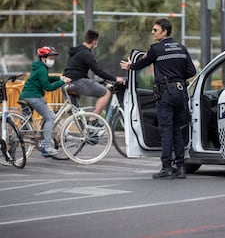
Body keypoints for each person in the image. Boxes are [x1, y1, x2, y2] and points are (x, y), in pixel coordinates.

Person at [120, 18, 196, 179]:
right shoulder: (182, 48)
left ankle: (167, 168)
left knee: (166, 131)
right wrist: (178, 77)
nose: (152, 32)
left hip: (165, 94)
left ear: (164, 32)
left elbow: (142, 64)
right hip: (181, 94)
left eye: (155, 30)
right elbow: (191, 71)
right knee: (177, 130)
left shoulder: (156, 49)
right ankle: (181, 167)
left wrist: (130, 66)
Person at [19, 46, 72, 157]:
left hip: (25, 95)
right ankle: (47, 147)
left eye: (53, 58)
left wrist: (59, 78)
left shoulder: (39, 67)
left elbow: (46, 78)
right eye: (50, 57)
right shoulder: (42, 69)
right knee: (50, 117)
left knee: (24, 127)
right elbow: (47, 87)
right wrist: (62, 82)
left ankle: (12, 149)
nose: (52, 60)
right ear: (43, 58)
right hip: (33, 96)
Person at [63, 29, 125, 117]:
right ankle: (94, 120)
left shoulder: (76, 51)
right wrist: (115, 78)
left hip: (67, 83)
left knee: (76, 114)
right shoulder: (86, 54)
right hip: (78, 82)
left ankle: (85, 129)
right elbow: (98, 71)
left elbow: (77, 71)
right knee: (106, 93)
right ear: (94, 41)